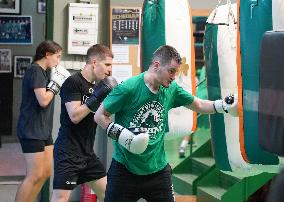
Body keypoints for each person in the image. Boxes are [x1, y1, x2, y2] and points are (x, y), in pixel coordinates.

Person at [94, 45, 238, 202]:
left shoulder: (171, 89)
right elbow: (100, 115)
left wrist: (223, 106)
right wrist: (124, 137)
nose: (174, 76)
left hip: (158, 170)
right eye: (171, 71)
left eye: (175, 72)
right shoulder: (129, 88)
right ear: (156, 65)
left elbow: (198, 104)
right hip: (124, 170)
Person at [51, 44, 117, 202]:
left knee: (108, 194)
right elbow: (74, 115)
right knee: (60, 198)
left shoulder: (97, 86)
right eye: (107, 65)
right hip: (68, 153)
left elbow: (100, 116)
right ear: (94, 62)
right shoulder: (73, 82)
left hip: (87, 154)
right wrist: (96, 97)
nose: (109, 70)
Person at [15, 40, 70, 202]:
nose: (58, 61)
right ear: (47, 55)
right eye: (57, 57)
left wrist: (55, 82)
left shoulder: (45, 72)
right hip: (31, 130)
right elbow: (43, 100)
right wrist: (55, 84)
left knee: (45, 173)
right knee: (34, 175)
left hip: (43, 130)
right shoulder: (35, 70)